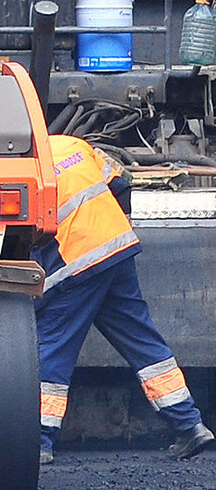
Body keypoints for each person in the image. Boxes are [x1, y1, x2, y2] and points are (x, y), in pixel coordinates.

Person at [33, 134, 214, 465]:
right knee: (143, 342)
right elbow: (122, 183)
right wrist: (122, 228)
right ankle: (190, 425)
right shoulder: (73, 146)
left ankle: (40, 441)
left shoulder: (23, 164)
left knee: (53, 345)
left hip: (77, 264)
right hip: (116, 251)